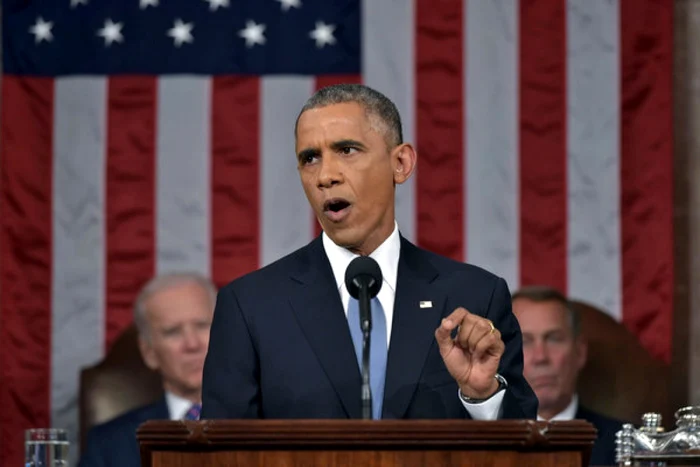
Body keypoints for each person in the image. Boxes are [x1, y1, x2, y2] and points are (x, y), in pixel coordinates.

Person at [201, 83, 537, 421]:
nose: (325, 176)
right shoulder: (250, 306)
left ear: (401, 163)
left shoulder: (476, 296)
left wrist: (482, 398)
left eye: (346, 150)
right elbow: (219, 455)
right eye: (310, 158)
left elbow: (530, 451)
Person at [78, 272, 216, 467]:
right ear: (149, 353)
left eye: (203, 325)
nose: (192, 344)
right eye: (173, 332)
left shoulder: (270, 423)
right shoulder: (108, 445)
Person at [512, 285, 624, 466]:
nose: (541, 357)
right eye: (524, 342)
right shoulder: (476, 444)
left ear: (579, 352)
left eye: (554, 338)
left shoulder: (627, 445)